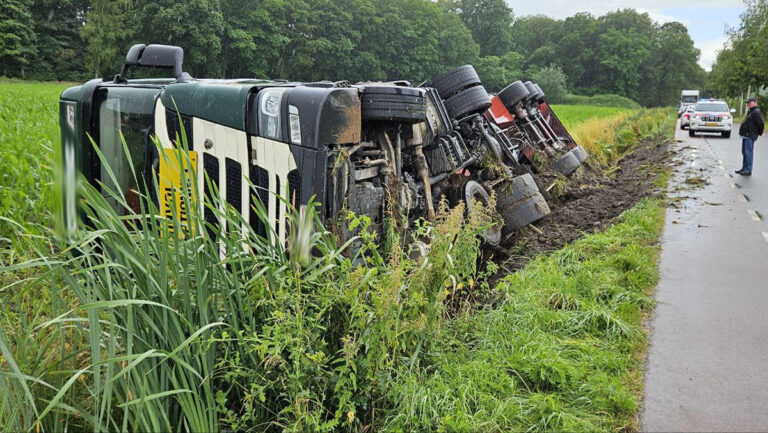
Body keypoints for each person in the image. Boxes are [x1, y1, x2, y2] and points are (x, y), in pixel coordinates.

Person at [736, 98, 765, 176]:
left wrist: (757, 133)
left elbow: (761, 124)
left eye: (749, 103)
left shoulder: (756, 112)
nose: (748, 104)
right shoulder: (751, 111)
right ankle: (744, 168)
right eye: (747, 103)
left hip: (750, 135)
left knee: (748, 153)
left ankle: (748, 170)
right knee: (744, 152)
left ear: (755, 103)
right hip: (746, 135)